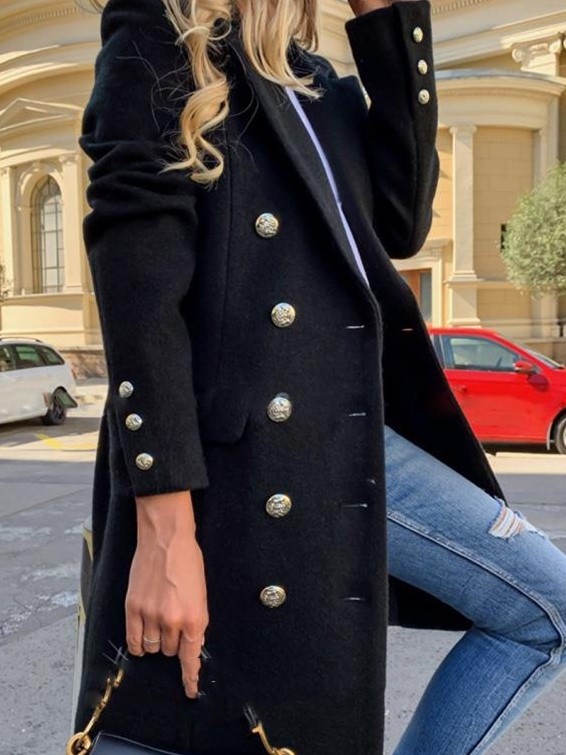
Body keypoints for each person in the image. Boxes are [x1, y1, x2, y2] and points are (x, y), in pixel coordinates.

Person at [70, 0, 566, 753]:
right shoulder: (163, 30)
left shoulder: (315, 83)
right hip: (246, 459)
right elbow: (139, 295)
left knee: (544, 605)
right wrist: (164, 532)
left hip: (347, 433)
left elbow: (401, 220)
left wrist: (388, 20)